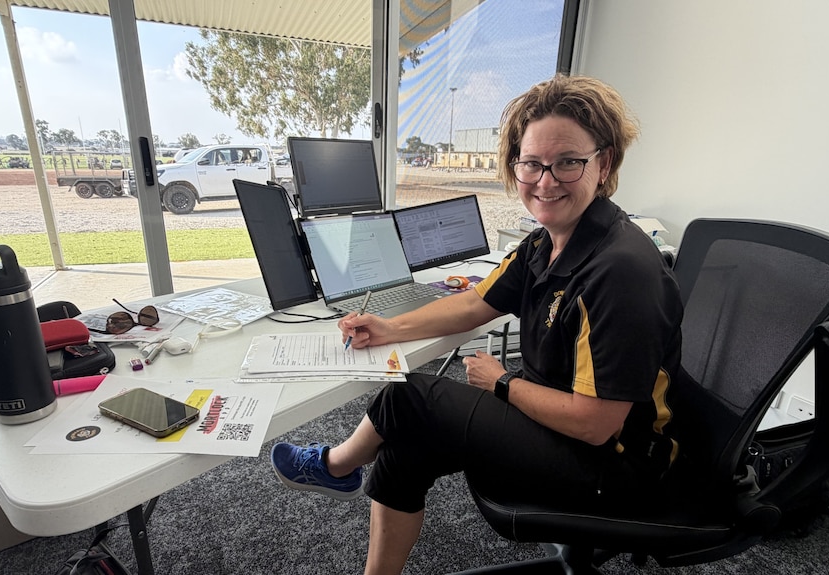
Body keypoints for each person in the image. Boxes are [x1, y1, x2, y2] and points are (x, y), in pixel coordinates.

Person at [271, 74, 684, 575]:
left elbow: (596, 425)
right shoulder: (545, 243)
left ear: (605, 165)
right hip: (562, 431)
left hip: (616, 467)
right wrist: (387, 328)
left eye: (568, 163)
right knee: (407, 443)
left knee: (409, 398)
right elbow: (475, 304)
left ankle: (338, 465)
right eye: (532, 163)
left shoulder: (620, 271)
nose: (546, 181)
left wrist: (502, 383)